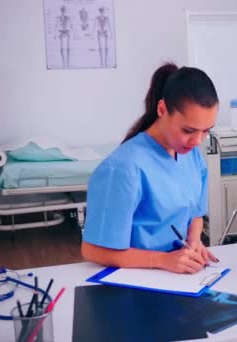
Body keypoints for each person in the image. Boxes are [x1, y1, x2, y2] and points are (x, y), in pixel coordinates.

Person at [81, 63, 219, 274]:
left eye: (206, 131)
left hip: (178, 277)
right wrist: (163, 260)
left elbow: (196, 216)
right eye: (188, 130)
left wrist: (194, 241)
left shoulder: (190, 156)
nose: (197, 141)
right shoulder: (123, 168)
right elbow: (93, 251)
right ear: (162, 109)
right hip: (134, 278)